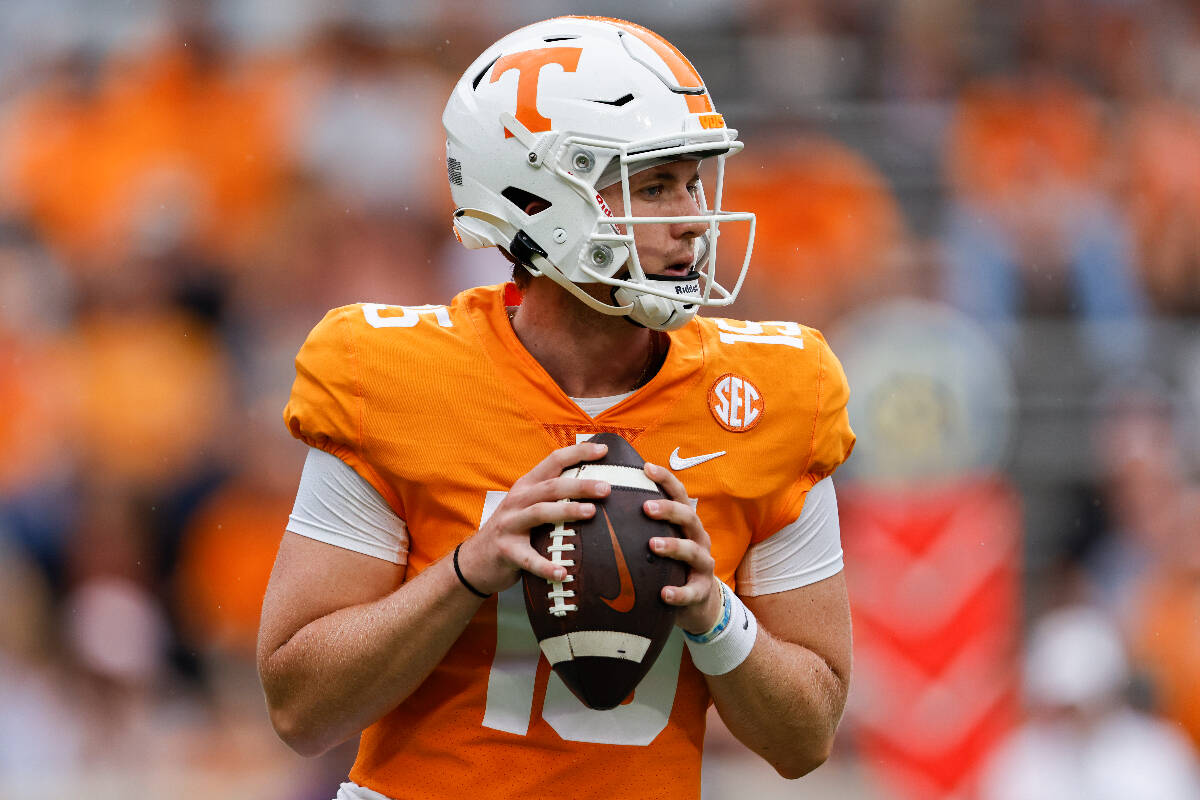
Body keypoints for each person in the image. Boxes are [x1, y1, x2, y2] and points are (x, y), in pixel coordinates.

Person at [257, 16, 856, 800]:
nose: (689, 220)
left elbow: (806, 737)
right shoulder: (394, 376)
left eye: (691, 181)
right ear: (536, 196)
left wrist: (714, 610)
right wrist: (468, 572)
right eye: (651, 185)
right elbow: (301, 709)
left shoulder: (771, 391)